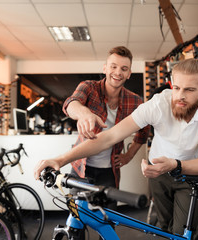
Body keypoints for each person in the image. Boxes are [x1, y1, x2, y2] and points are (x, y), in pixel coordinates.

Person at [34, 58, 198, 235]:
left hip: (189, 173)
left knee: (182, 233)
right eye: (176, 88)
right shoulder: (157, 104)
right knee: (164, 229)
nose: (180, 96)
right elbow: (108, 137)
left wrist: (175, 164)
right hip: (158, 172)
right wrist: (60, 159)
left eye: (189, 90)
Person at [49, 45, 149, 191]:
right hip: (81, 166)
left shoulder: (135, 101)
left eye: (124, 69)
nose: (117, 72)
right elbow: (70, 104)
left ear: (129, 74)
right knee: (79, 213)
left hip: (110, 172)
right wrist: (84, 114)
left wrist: (129, 155)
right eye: (113, 67)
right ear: (105, 69)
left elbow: (144, 131)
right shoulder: (89, 87)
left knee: (107, 213)